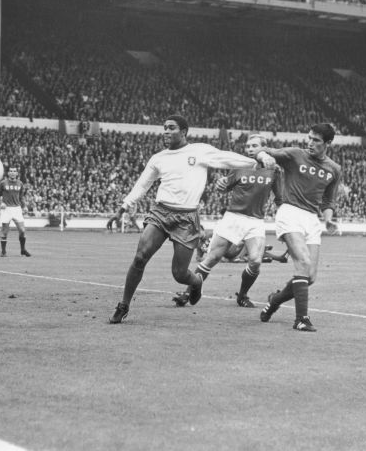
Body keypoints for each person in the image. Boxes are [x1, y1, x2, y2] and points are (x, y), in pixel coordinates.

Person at [108, 115, 275, 324]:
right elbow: (142, 185)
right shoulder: (158, 158)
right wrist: (123, 207)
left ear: (184, 132)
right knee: (140, 257)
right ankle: (123, 305)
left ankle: (196, 282)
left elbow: (227, 158)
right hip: (161, 212)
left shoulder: (199, 151)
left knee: (179, 273)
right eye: (164, 128)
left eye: (171, 128)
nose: (166, 132)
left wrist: (257, 159)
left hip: (186, 218)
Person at [173, 134, 282, 308]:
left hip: (255, 221)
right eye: (248, 146)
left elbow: (280, 198)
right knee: (212, 258)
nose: (250, 149)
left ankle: (242, 296)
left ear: (264, 148)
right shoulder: (239, 166)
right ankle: (188, 293)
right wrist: (220, 185)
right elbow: (225, 187)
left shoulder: (274, 171)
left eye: (254, 146)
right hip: (232, 218)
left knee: (255, 261)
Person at [255, 123, 342, 332]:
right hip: (290, 212)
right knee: (302, 262)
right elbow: (264, 151)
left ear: (328, 143)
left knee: (310, 276)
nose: (310, 143)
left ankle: (275, 300)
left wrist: (328, 219)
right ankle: (301, 319)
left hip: (312, 220)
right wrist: (263, 156)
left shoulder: (334, 169)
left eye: (316, 140)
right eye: (309, 138)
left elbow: (328, 201)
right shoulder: (294, 154)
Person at [0, 166, 31, 257]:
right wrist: (0, 202)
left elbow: (21, 197)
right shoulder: (3, 183)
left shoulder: (20, 184)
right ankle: (3, 252)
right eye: (11, 171)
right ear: (8, 173)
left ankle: (23, 250)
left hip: (17, 209)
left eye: (14, 171)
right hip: (6, 209)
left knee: (22, 230)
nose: (12, 172)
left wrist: (25, 206)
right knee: (5, 231)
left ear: (17, 173)